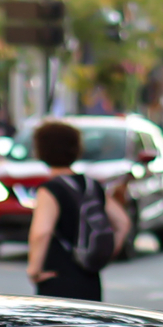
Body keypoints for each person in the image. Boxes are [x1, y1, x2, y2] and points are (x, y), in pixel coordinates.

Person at [24, 119, 129, 303]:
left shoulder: (50, 190)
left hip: (57, 279)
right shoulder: (91, 185)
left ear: (41, 151)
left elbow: (41, 232)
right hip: (90, 278)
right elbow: (122, 223)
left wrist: (34, 270)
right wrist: (103, 254)